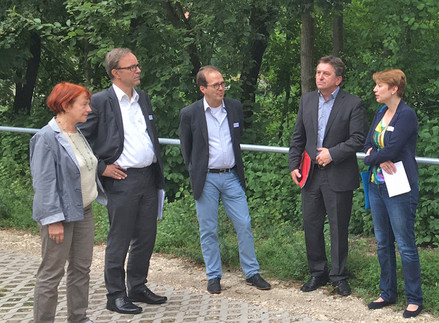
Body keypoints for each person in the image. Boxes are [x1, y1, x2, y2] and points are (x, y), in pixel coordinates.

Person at [78, 48, 167, 314]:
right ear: (116, 73)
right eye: (132, 67)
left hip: (148, 177)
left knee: (146, 237)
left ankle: (137, 286)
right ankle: (115, 295)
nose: (138, 70)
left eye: (138, 65)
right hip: (122, 180)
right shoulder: (101, 101)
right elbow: (79, 138)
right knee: (120, 238)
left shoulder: (143, 99)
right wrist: (101, 167)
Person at [179, 66, 271, 294]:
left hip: (231, 176)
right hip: (206, 178)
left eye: (222, 84)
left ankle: (251, 272)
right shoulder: (190, 113)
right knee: (208, 228)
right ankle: (213, 275)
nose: (221, 88)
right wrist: (195, 171)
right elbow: (186, 149)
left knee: (244, 223)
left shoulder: (234, 107)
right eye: (216, 85)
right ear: (203, 89)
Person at [288, 56, 367, 296]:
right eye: (318, 72)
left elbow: (358, 139)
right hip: (310, 174)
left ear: (338, 79)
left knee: (338, 227)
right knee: (311, 225)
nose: (320, 77)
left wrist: (332, 154)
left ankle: (339, 276)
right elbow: (298, 137)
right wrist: (293, 165)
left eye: (326, 73)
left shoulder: (353, 104)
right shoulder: (307, 100)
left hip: (338, 174)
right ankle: (317, 273)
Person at [30, 82, 104, 323]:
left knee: (81, 269)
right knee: (51, 273)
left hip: (84, 211)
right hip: (60, 216)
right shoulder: (46, 138)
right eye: (84, 104)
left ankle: (78, 318)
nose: (89, 109)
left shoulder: (77, 132)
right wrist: (53, 220)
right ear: (65, 105)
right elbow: (44, 183)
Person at [362, 69, 423, 318]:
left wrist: (373, 158)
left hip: (399, 187)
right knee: (383, 242)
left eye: (379, 85)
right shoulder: (380, 113)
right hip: (377, 185)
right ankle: (387, 292)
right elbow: (367, 143)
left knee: (405, 244)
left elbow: (394, 149)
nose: (375, 89)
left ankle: (415, 298)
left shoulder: (406, 115)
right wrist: (375, 156)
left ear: (394, 89)